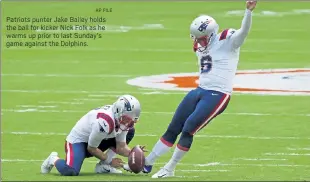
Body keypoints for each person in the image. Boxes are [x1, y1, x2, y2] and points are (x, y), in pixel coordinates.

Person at [124, 1, 258, 178]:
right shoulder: (199, 46)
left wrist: (248, 12)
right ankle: (149, 162)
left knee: (188, 128)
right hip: (200, 90)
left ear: (211, 34)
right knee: (173, 128)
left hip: (218, 94)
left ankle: (170, 168)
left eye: (201, 38)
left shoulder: (228, 40)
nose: (197, 41)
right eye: (196, 37)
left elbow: (243, 33)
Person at [41, 95, 143, 176]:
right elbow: (92, 148)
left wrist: (135, 155)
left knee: (130, 131)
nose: (128, 122)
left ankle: (103, 167)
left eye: (132, 119)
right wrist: (110, 161)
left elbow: (121, 147)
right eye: (126, 119)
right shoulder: (105, 122)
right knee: (71, 171)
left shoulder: (122, 122)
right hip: (78, 142)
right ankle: (53, 159)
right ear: (118, 112)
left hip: (98, 139)